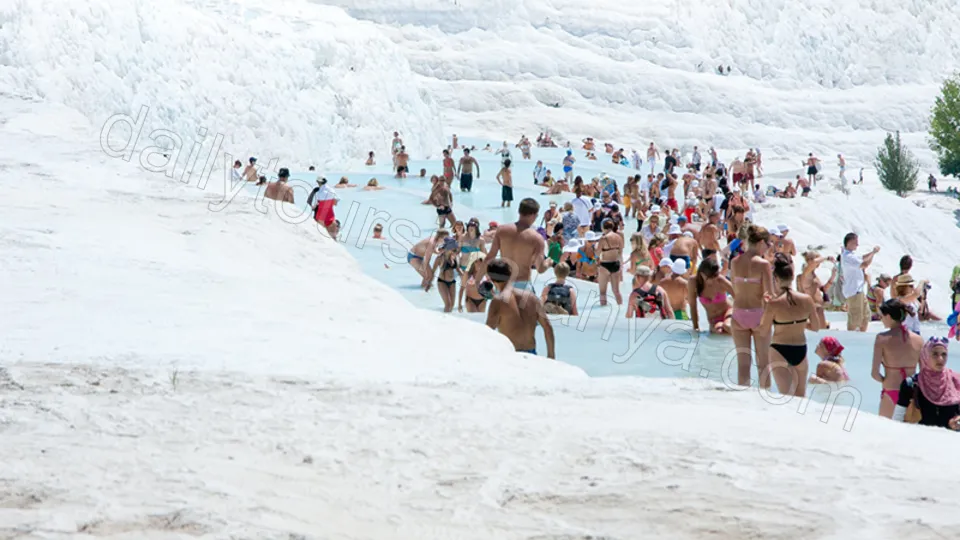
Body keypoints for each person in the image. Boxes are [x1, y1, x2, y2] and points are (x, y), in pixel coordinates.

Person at [760, 253, 821, 396]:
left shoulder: (774, 304)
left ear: (775, 278)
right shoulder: (806, 299)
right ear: (792, 277)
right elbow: (817, 327)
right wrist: (798, 323)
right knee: (800, 398)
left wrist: (766, 306)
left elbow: (763, 331)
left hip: (779, 349)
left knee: (786, 398)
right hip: (800, 348)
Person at [730, 225, 775, 387]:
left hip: (738, 313)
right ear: (761, 242)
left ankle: (743, 400)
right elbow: (770, 293)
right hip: (758, 314)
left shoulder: (735, 262)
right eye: (768, 244)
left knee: (743, 364)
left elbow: (735, 289)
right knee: (763, 363)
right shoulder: (763, 264)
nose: (768, 247)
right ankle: (765, 400)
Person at [484, 259, 556, 358]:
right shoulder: (531, 297)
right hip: (532, 354)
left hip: (512, 356)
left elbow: (488, 332)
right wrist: (551, 356)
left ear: (491, 279)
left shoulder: (498, 301)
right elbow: (548, 327)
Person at [484, 198, 553, 293]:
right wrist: (549, 262)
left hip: (503, 285)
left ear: (519, 211)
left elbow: (490, 257)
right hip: (523, 285)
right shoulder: (536, 238)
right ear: (534, 215)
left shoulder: (502, 230)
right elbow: (540, 269)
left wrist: (481, 279)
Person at [872, 299, 924, 418]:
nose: (881, 319)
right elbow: (923, 372)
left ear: (889, 316)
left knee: (885, 432)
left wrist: (885, 380)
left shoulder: (881, 339)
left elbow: (875, 373)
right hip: (912, 392)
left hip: (891, 389)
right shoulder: (919, 339)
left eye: (882, 316)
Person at [894, 338, 960, 430]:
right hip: (920, 441)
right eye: (935, 354)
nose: (940, 359)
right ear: (925, 356)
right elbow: (897, 418)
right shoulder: (912, 384)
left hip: (950, 441)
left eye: (944, 354)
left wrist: (957, 421)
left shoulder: (956, 381)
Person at [840, 232, 880, 332]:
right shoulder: (847, 257)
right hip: (853, 291)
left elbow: (862, 258)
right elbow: (864, 264)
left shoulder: (851, 255)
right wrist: (873, 253)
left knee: (865, 316)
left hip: (859, 290)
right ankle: (852, 338)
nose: (857, 245)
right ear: (849, 243)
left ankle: (861, 335)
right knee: (855, 319)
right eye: (855, 242)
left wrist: (872, 253)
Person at [689, 257, 734, 334]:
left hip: (728, 312)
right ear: (702, 274)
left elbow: (739, 297)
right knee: (719, 332)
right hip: (714, 320)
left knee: (727, 326)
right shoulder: (693, 282)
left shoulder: (720, 280)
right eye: (711, 278)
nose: (714, 280)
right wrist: (696, 328)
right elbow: (693, 306)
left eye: (716, 276)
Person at [798, 251, 837, 329]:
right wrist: (827, 258)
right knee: (820, 329)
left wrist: (832, 276)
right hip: (812, 308)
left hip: (818, 307)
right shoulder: (805, 274)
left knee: (821, 329)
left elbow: (823, 289)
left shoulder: (813, 275)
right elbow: (812, 263)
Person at [597, 220, 624, 306]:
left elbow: (597, 253)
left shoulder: (603, 238)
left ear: (603, 227)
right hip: (615, 264)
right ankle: (621, 309)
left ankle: (602, 315)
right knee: (616, 291)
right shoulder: (619, 237)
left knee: (602, 292)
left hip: (605, 264)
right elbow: (620, 251)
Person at [431, 237, 463, 313]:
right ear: (448, 248)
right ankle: (443, 321)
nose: (455, 251)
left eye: (455, 249)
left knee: (452, 305)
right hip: (442, 282)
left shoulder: (455, 258)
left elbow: (458, 270)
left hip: (452, 282)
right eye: (453, 249)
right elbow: (433, 271)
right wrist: (429, 282)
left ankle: (448, 321)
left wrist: (465, 278)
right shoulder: (439, 259)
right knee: (448, 304)